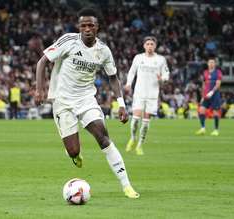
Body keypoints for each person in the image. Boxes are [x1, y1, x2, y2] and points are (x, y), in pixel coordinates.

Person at [34, 8, 139, 199]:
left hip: (86, 99)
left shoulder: (103, 50)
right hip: (63, 101)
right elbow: (42, 62)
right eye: (83, 25)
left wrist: (121, 104)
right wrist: (39, 89)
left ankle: (127, 185)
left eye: (91, 25)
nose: (87, 29)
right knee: (73, 150)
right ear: (79, 27)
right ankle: (75, 156)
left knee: (103, 137)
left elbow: (113, 77)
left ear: (97, 27)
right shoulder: (68, 41)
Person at [124, 36, 170, 155]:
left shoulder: (160, 59)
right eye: (148, 44)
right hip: (139, 93)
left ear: (155, 46)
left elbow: (166, 74)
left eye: (152, 44)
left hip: (153, 94)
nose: (150, 46)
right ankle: (133, 138)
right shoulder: (138, 58)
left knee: (145, 121)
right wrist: (128, 84)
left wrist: (163, 79)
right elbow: (132, 72)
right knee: (135, 119)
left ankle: (139, 145)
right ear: (144, 46)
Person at [196, 56, 222, 136]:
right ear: (207, 64)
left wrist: (212, 92)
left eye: (212, 62)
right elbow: (204, 84)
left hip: (215, 95)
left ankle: (216, 130)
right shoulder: (205, 72)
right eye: (210, 62)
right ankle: (203, 128)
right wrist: (203, 96)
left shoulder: (218, 72)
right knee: (201, 110)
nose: (211, 64)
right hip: (206, 95)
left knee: (215, 112)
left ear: (215, 64)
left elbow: (218, 84)